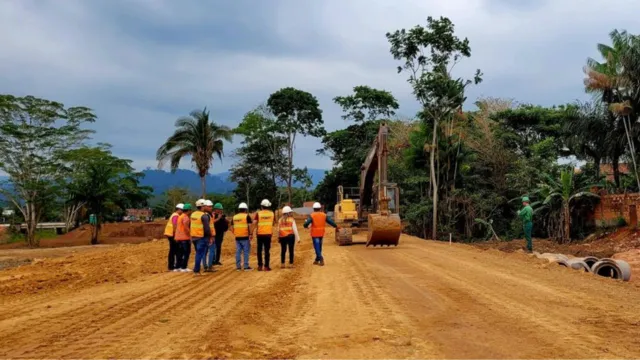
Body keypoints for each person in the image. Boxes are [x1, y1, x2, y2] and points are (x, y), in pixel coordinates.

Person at [303, 202, 338, 266]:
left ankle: (321, 258)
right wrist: (335, 226)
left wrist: (305, 226)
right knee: (319, 246)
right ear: (320, 208)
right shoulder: (324, 215)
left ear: (314, 209)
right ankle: (316, 260)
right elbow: (330, 221)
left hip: (314, 233)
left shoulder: (312, 215)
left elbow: (306, 223)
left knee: (316, 247)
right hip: (321, 233)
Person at [191, 199, 214, 275]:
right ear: (202, 206)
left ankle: (197, 269)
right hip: (201, 237)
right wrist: (210, 236)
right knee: (199, 254)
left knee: (198, 253)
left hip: (194, 237)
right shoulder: (204, 216)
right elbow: (207, 229)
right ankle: (196, 270)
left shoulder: (193, 214)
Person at [254, 199, 275, 271]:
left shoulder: (258, 214)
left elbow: (254, 223)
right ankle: (266, 266)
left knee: (259, 250)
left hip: (260, 234)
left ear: (261, 206)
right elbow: (273, 223)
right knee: (267, 251)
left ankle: (260, 266)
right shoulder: (272, 214)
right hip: (268, 234)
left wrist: (250, 233)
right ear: (268, 206)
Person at [231, 202, 253, 271]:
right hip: (245, 237)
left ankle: (238, 267)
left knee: (238, 251)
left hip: (237, 237)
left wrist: (234, 233)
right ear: (245, 209)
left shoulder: (234, 217)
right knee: (246, 252)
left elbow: (231, 226)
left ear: (239, 209)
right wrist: (251, 234)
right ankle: (246, 266)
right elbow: (250, 226)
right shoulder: (247, 216)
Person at [163, 203, 184, 272]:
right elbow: (175, 226)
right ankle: (172, 266)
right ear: (179, 209)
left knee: (174, 250)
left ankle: (173, 265)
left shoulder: (174, 215)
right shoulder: (176, 216)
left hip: (170, 234)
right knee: (175, 250)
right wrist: (176, 235)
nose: (183, 212)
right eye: (182, 210)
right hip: (172, 235)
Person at [174, 203, 193, 272]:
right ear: (189, 210)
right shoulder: (186, 217)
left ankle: (177, 267)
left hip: (178, 237)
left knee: (180, 253)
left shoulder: (180, 216)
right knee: (187, 252)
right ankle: (184, 267)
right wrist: (190, 235)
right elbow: (186, 227)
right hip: (185, 238)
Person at [203, 200, 218, 272]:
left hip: (205, 236)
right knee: (211, 251)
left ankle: (205, 266)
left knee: (205, 251)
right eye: (209, 206)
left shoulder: (204, 215)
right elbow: (208, 227)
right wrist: (211, 236)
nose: (211, 208)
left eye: (211, 206)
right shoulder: (207, 216)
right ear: (205, 207)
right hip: (209, 236)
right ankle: (210, 266)